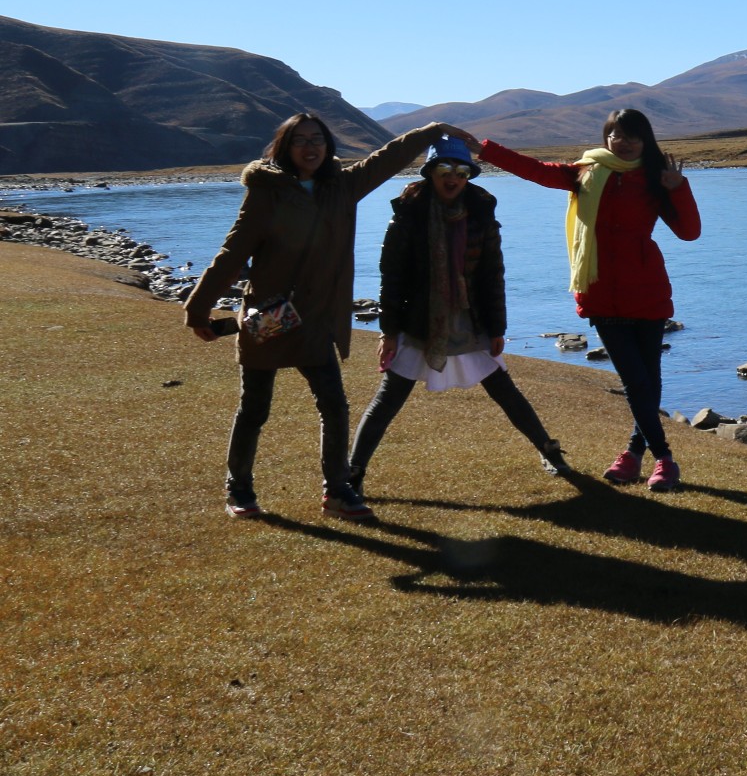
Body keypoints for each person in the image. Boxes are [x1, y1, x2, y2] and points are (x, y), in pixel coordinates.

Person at [185, 113, 454, 521]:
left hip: (315, 320)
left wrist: (432, 131)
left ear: (328, 146)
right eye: (300, 140)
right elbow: (234, 250)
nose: (310, 147)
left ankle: (338, 491)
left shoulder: (341, 187)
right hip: (270, 316)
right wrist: (198, 307)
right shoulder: (266, 192)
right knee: (255, 408)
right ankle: (239, 488)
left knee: (334, 405)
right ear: (285, 147)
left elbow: (387, 158)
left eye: (317, 139)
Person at [464, 109, 701, 492]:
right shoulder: (585, 172)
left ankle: (632, 455)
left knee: (648, 379)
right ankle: (664, 459)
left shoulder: (656, 178)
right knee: (635, 381)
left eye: (633, 136)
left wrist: (678, 188)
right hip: (600, 292)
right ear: (606, 137)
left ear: (646, 140)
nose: (624, 142)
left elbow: (689, 232)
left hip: (647, 292)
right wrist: (485, 150)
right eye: (617, 134)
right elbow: (535, 170)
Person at [345, 136, 567, 493]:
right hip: (418, 321)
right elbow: (392, 279)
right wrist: (388, 332)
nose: (453, 178)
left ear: (469, 176)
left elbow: (493, 274)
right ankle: (353, 472)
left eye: (462, 171)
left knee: (503, 389)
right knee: (389, 397)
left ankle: (549, 451)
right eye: (445, 169)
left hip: (470, 318)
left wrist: (497, 327)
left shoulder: (481, 214)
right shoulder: (407, 215)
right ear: (431, 173)